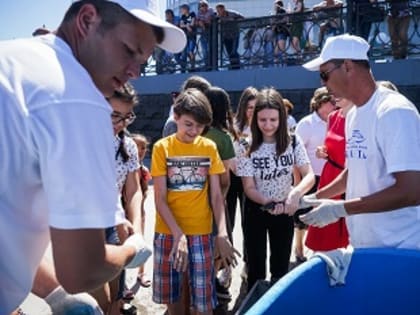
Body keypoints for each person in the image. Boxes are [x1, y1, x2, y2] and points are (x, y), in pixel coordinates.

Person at [0, 0, 186, 313]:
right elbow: (81, 270)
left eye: (143, 60)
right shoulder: (79, 99)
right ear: (87, 20)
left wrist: (54, 294)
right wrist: (129, 251)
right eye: (129, 50)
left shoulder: (11, 58)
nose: (135, 72)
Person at [300, 34, 420, 250]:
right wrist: (316, 197)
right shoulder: (353, 113)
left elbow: (412, 191)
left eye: (324, 74)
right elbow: (354, 169)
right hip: (365, 244)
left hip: (401, 246)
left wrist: (340, 209)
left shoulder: (394, 111)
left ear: (347, 66)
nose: (322, 84)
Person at [151, 88, 239, 315]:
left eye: (200, 126)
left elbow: (217, 195)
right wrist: (178, 234)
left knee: (203, 301)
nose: (194, 131)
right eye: (189, 124)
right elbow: (159, 199)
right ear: (176, 117)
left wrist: (221, 233)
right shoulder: (162, 148)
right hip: (168, 233)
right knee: (174, 299)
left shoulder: (208, 147)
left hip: (201, 233)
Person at [237, 88, 315, 292]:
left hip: (286, 208)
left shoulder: (293, 141)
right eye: (263, 120)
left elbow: (309, 175)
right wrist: (269, 203)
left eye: (273, 119)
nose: (268, 125)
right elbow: (249, 187)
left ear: (282, 116)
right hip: (257, 209)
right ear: (255, 119)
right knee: (256, 267)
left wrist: (295, 194)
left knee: (281, 266)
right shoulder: (246, 145)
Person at [203, 86, 239, 301]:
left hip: (193, 199)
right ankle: (211, 283)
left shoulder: (196, 132)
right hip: (216, 199)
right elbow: (226, 176)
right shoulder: (223, 138)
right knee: (219, 243)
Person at [293, 87, 336, 262]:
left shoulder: (337, 121)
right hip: (309, 176)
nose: (333, 105)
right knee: (302, 216)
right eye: (330, 102)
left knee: (323, 213)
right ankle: (299, 248)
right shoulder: (307, 123)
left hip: (330, 176)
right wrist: (297, 180)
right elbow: (294, 153)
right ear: (319, 104)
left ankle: (317, 247)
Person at [304, 97, 352, 251]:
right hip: (331, 175)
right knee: (326, 234)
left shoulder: (360, 117)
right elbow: (327, 145)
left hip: (351, 176)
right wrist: (321, 151)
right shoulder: (333, 117)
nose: (334, 97)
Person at [227, 86, 258, 281]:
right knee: (228, 221)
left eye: (256, 107)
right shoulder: (234, 128)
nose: (252, 111)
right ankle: (226, 264)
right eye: (249, 107)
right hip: (232, 177)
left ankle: (248, 261)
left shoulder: (263, 127)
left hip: (253, 180)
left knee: (250, 223)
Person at [131, 133, 153, 288]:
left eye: (143, 147)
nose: (140, 150)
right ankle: (122, 283)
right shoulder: (124, 166)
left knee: (141, 244)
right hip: (125, 214)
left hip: (140, 213)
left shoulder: (143, 169)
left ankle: (141, 272)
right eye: (136, 146)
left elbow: (146, 191)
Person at [216, 3, 244, 70]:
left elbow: (242, 18)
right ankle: (233, 66)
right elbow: (214, 21)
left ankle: (237, 66)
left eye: (219, 10)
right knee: (229, 52)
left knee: (233, 51)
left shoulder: (232, 13)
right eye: (217, 11)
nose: (218, 12)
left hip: (234, 35)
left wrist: (234, 21)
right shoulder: (218, 16)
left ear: (223, 9)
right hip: (226, 37)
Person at [196, 0, 216, 71]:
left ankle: (212, 65)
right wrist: (201, 22)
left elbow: (210, 19)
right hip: (203, 33)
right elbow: (197, 21)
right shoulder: (199, 12)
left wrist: (203, 22)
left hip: (211, 33)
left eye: (205, 6)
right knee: (204, 50)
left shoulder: (210, 10)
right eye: (201, 6)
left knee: (210, 49)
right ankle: (206, 65)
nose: (203, 7)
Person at [179, 4, 197, 72]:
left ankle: (192, 66)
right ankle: (187, 67)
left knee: (190, 50)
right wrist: (187, 26)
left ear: (186, 9)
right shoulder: (183, 16)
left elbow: (192, 23)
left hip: (192, 36)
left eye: (182, 10)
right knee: (186, 51)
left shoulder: (192, 14)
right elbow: (181, 25)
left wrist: (186, 25)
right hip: (186, 36)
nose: (181, 11)